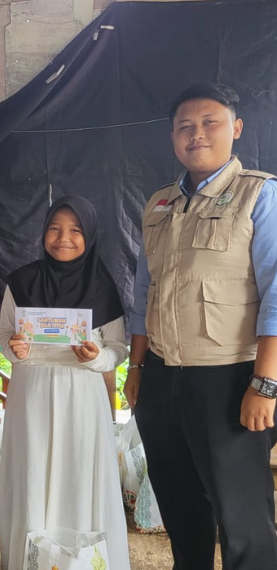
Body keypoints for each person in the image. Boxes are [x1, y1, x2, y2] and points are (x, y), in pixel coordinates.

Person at [124, 83, 277, 570]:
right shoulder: (159, 204)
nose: (197, 134)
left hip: (230, 378)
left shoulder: (260, 194)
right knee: (180, 505)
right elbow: (144, 294)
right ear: (173, 137)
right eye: (185, 126)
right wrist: (136, 368)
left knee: (241, 516)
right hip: (162, 376)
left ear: (236, 128)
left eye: (210, 122)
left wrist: (265, 384)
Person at [0, 196, 130, 570]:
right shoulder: (21, 282)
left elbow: (118, 348)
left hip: (82, 398)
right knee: (32, 472)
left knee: (79, 475)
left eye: (75, 230)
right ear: (43, 233)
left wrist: (96, 359)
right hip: (31, 396)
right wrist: (14, 349)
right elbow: (3, 332)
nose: (63, 238)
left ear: (90, 235)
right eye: (54, 228)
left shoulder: (102, 285)